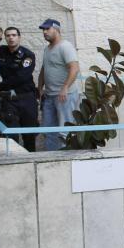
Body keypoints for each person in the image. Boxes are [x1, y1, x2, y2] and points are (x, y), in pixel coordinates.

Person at [37, 18, 80, 151]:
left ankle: (65, 161)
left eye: (47, 29)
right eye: (43, 29)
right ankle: (51, 160)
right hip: (49, 96)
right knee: (49, 131)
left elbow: (74, 68)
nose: (44, 32)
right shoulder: (47, 49)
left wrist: (65, 88)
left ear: (56, 29)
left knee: (64, 132)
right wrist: (40, 89)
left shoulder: (65, 46)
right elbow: (44, 69)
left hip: (65, 96)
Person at [0, 26, 39, 152]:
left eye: (14, 35)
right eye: (8, 35)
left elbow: (21, 77)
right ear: (5, 38)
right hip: (9, 100)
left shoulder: (28, 55)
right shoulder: (1, 52)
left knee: (29, 136)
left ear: (19, 38)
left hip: (26, 99)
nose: (11, 38)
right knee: (11, 136)